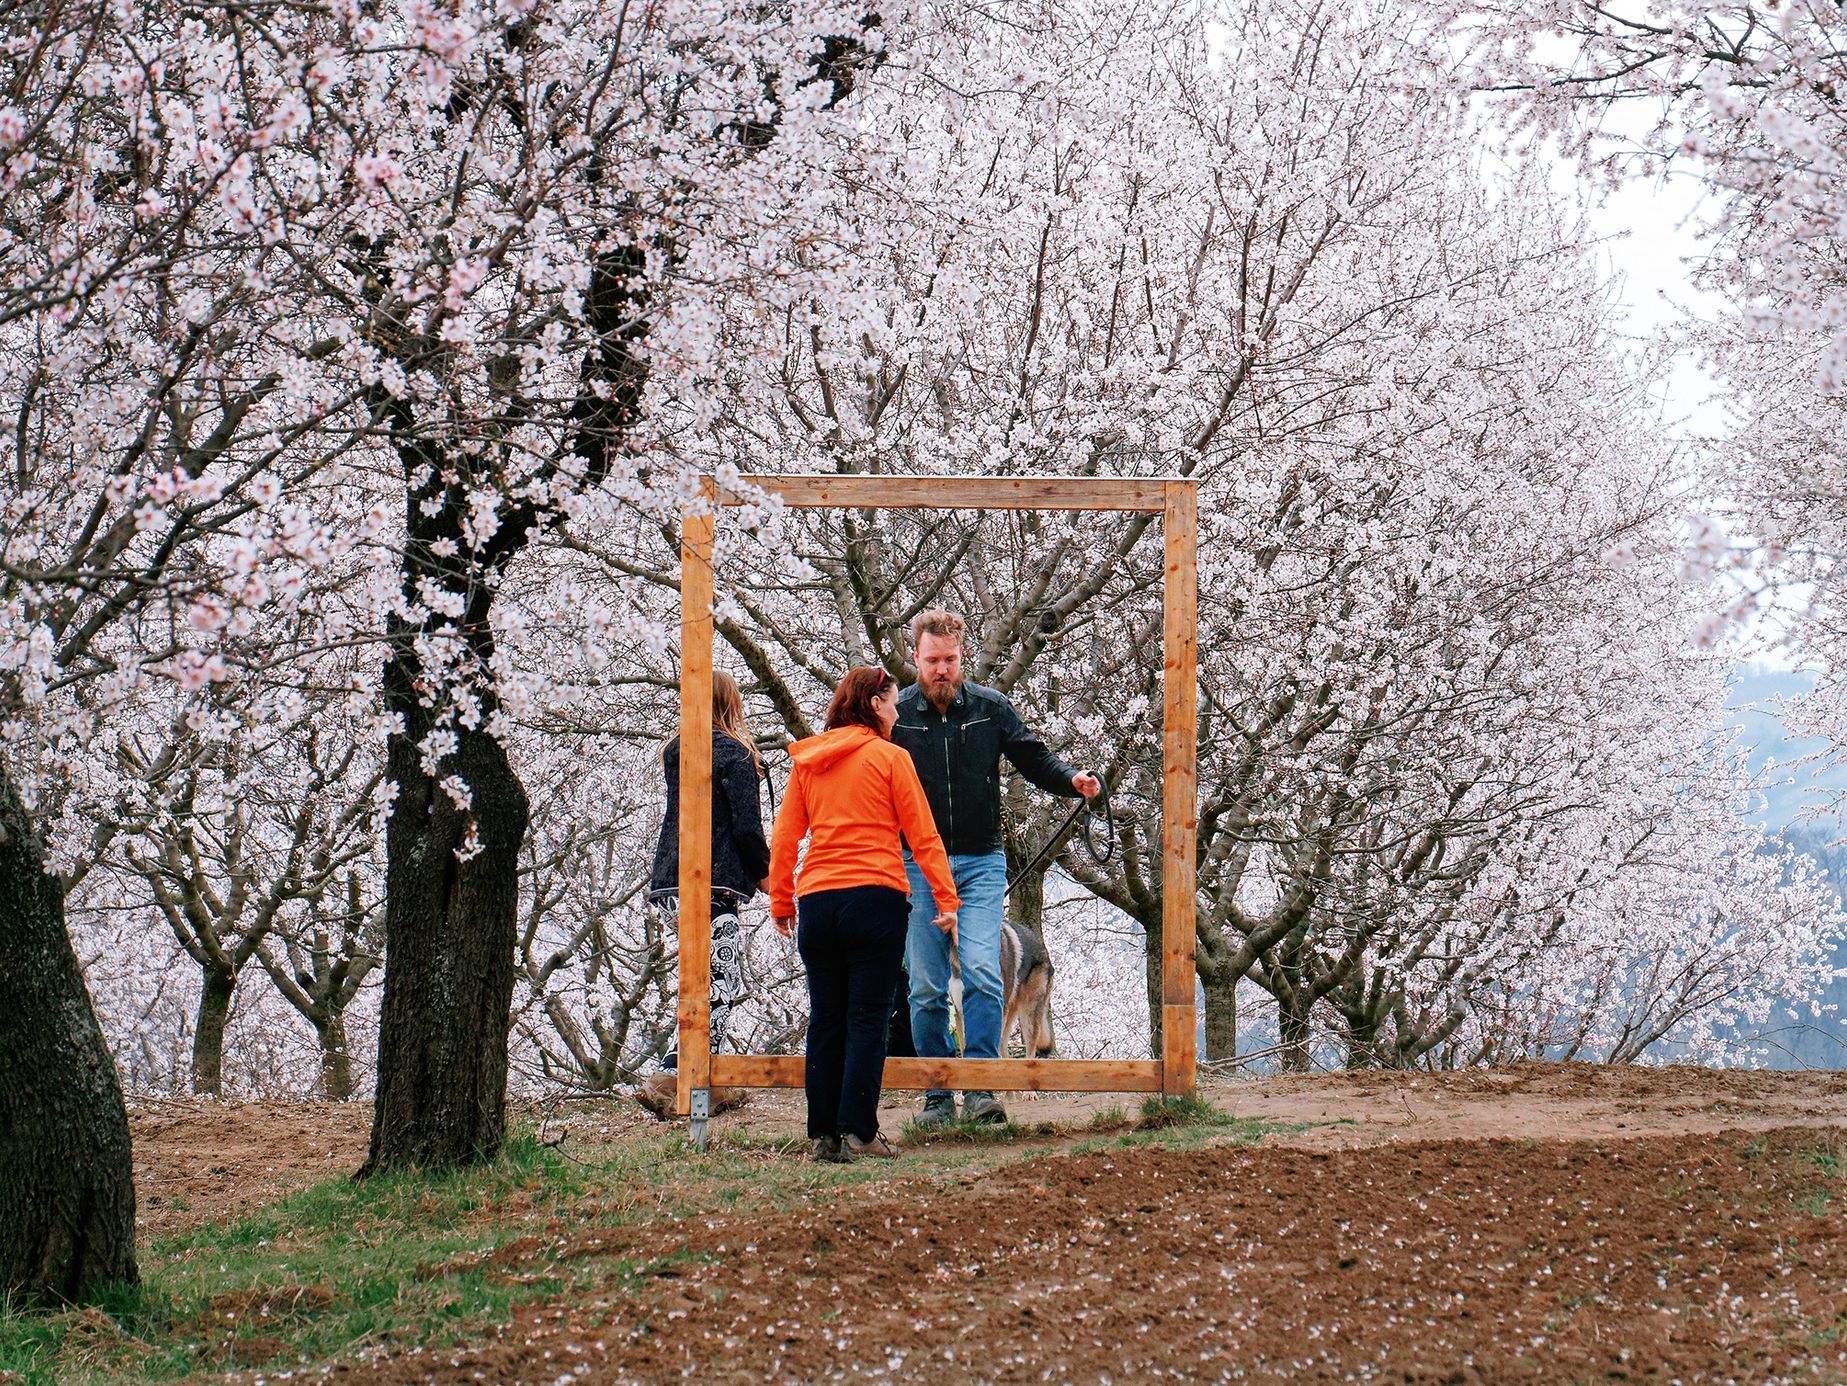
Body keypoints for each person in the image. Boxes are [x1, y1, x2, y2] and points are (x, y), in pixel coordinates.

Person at [891, 610, 1100, 1127]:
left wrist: (1072, 780)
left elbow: (1034, 757)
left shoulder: (991, 708)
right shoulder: (897, 717)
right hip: (917, 863)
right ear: (915, 658)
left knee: (984, 972)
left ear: (962, 656)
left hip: (981, 861)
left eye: (950, 659)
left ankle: (981, 1088)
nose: (941, 669)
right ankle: (938, 1094)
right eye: (932, 660)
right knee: (925, 983)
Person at [768, 667, 960, 1162]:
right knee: (868, 1018)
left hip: (818, 902)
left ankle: (822, 1135)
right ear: (875, 704)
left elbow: (786, 836)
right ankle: (859, 1129)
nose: (897, 713)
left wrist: (782, 900)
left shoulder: (808, 760)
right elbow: (923, 835)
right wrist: (947, 900)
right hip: (875, 897)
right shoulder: (891, 757)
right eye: (893, 703)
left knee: (826, 1018)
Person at [639, 670, 771, 1118]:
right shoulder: (735, 754)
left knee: (698, 978)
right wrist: (765, 874)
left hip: (672, 879)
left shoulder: (676, 750)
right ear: (731, 703)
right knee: (721, 978)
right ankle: (688, 1076)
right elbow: (747, 827)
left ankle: (685, 1073)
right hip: (717, 879)